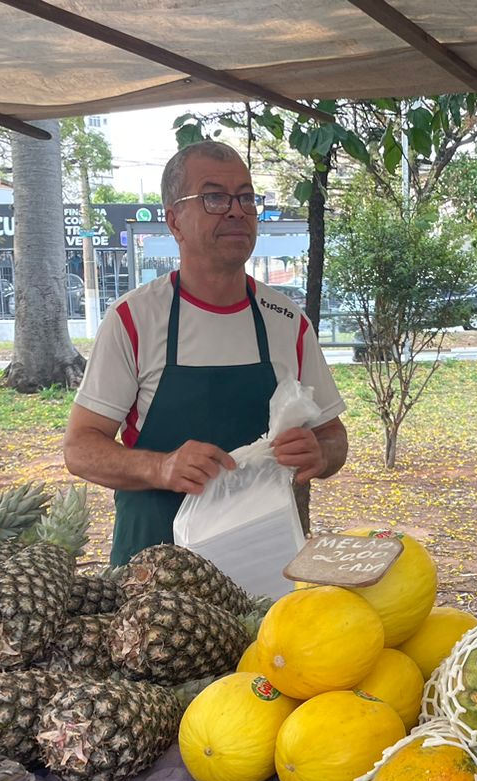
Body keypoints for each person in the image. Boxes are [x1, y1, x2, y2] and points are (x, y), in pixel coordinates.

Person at [63, 141, 348, 564]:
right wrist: (159, 468)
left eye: (246, 197)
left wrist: (320, 454)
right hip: (152, 581)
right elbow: (80, 448)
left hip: (263, 571)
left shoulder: (286, 321)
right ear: (174, 220)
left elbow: (334, 436)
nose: (236, 210)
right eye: (214, 197)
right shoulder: (134, 320)